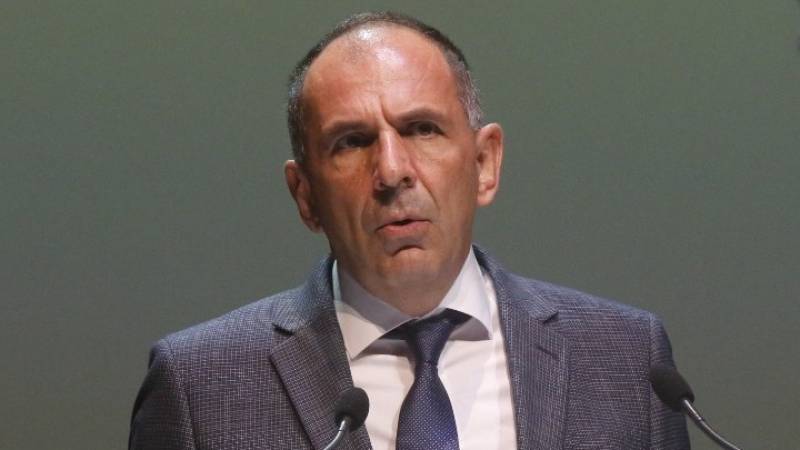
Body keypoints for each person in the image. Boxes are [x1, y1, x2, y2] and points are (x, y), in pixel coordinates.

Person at [129, 11, 690, 450]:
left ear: (484, 164)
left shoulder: (625, 357)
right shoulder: (199, 385)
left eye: (422, 129)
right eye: (351, 142)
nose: (392, 171)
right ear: (306, 196)